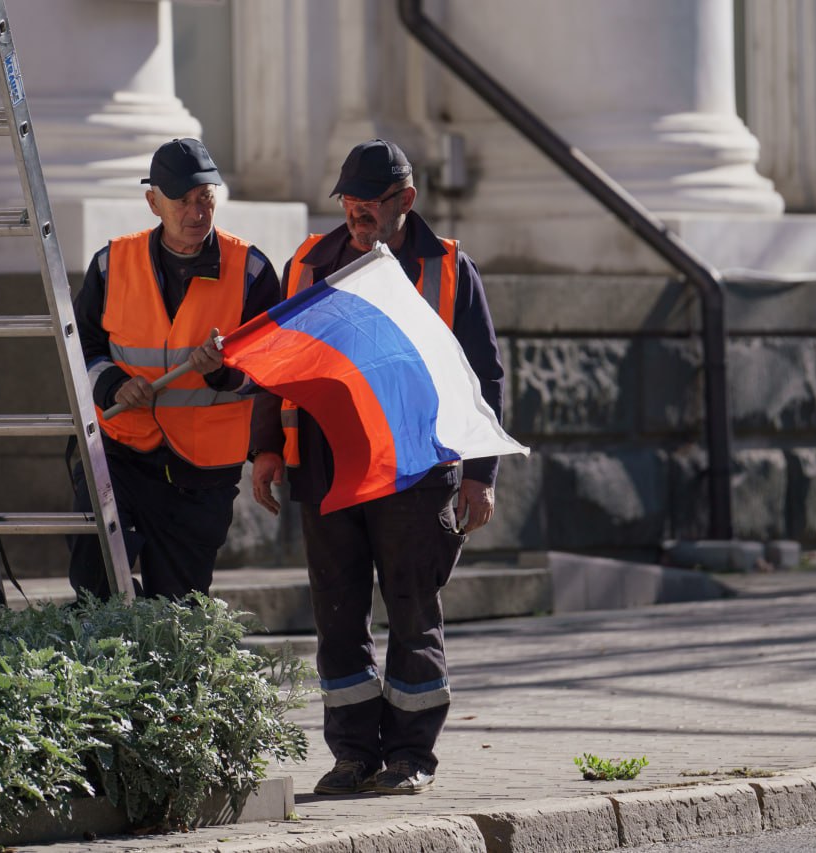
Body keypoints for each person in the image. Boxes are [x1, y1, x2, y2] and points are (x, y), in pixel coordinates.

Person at [251, 139, 505, 796]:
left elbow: (484, 376)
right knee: (337, 614)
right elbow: (277, 364)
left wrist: (481, 475)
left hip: (416, 474)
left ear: (406, 201)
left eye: (371, 206)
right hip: (328, 471)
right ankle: (353, 754)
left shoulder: (448, 269)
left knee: (413, 607)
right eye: (351, 204)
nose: (357, 217)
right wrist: (267, 449)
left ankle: (411, 756)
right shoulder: (308, 263)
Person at [69, 138, 283, 600]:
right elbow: (80, 346)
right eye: (182, 200)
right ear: (153, 202)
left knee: (178, 609)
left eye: (205, 198)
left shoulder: (252, 271)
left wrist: (222, 373)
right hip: (121, 454)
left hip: (201, 476)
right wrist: (112, 384)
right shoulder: (111, 265)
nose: (196, 212)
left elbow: (272, 370)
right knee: (96, 586)